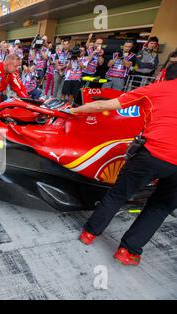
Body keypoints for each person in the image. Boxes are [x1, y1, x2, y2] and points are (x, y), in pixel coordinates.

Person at [70, 63, 177, 266]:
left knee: (118, 194)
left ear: (164, 75)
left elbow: (104, 105)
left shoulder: (153, 90)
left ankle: (89, 233)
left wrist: (75, 110)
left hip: (151, 154)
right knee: (161, 207)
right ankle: (127, 251)